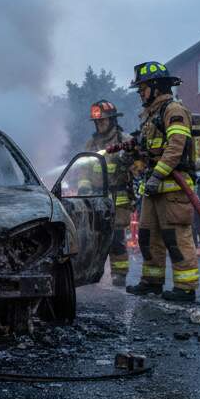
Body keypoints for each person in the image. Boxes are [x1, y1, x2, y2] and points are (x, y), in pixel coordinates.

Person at [125, 61, 200, 302]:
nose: (140, 94)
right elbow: (150, 150)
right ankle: (152, 281)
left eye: (142, 89)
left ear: (156, 87)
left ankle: (185, 287)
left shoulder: (173, 110)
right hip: (153, 189)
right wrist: (134, 153)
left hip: (172, 188)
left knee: (175, 238)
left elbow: (176, 147)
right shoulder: (150, 115)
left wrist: (157, 175)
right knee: (148, 237)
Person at [81, 99, 136, 286]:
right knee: (95, 237)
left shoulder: (125, 140)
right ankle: (93, 273)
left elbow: (138, 166)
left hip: (119, 196)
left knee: (117, 239)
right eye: (97, 121)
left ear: (112, 120)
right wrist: (84, 186)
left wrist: (128, 159)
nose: (100, 124)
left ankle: (119, 274)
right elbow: (84, 170)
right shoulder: (91, 143)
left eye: (103, 121)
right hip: (96, 196)